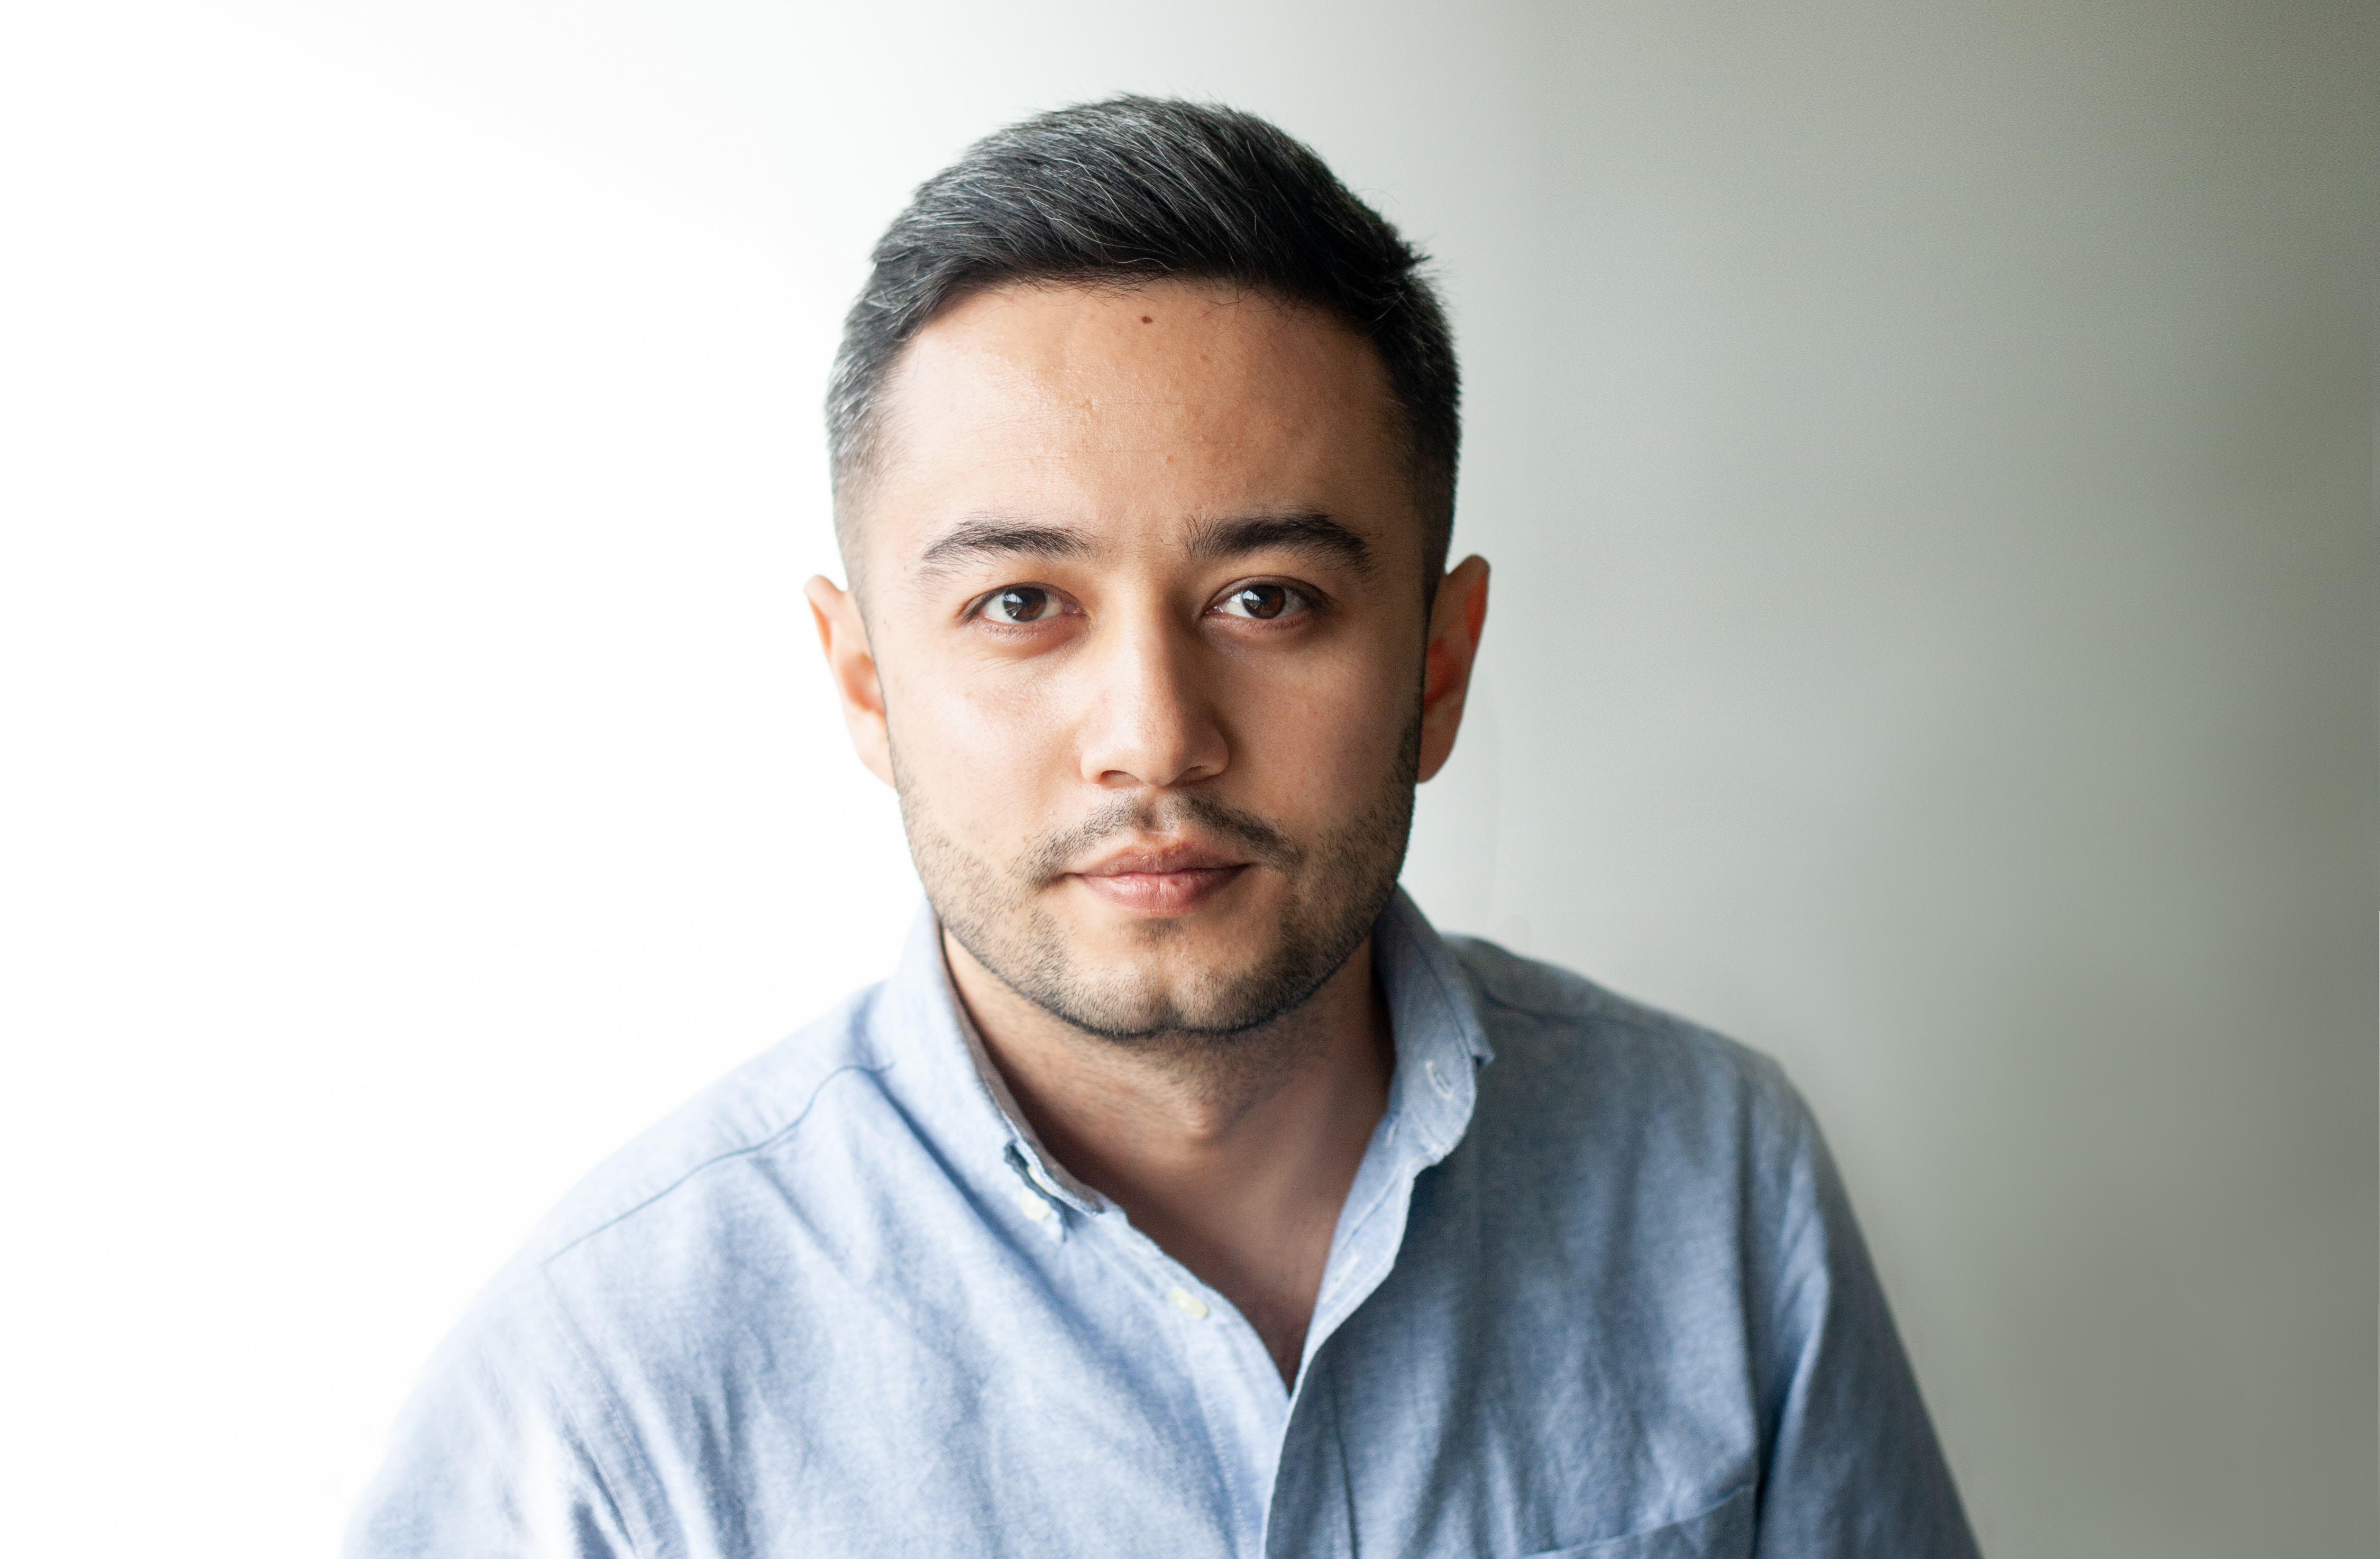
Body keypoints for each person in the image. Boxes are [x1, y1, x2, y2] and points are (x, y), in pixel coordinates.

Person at [349, 97, 1979, 1558]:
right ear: (864, 684)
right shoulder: (595, 1403)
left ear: (1437, 665)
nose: (1152, 736)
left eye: (1266, 598)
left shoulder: (1715, 1179)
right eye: (1019, 603)